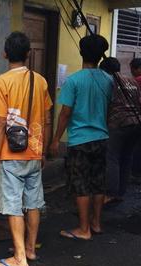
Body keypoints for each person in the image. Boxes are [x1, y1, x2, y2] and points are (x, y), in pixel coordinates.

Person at [0, 32, 53, 266]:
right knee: (33, 203)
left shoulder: (2, 82)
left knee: (13, 206)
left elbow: (0, 123)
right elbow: (45, 119)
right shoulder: (41, 81)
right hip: (34, 151)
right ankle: (30, 249)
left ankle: (19, 259)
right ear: (27, 54)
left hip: (11, 154)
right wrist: (42, 150)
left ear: (5, 53)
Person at [49, 34, 112, 241]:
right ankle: (96, 223)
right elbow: (110, 108)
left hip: (79, 140)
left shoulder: (73, 80)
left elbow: (65, 113)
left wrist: (56, 138)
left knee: (81, 183)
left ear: (81, 53)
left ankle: (83, 229)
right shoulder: (108, 79)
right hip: (101, 137)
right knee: (98, 181)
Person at [99, 57, 141, 205]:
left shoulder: (109, 82)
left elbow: (105, 104)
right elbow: (140, 102)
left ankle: (111, 193)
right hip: (136, 123)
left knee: (112, 158)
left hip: (119, 124)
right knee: (127, 157)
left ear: (104, 71)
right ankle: (121, 192)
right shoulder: (133, 81)